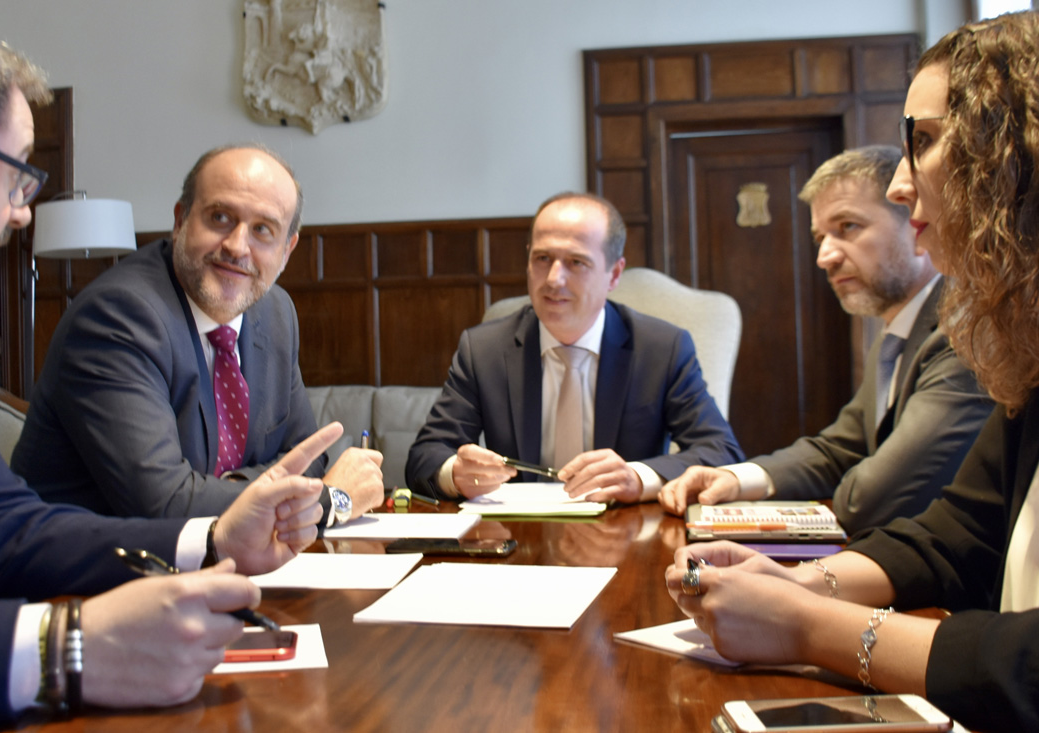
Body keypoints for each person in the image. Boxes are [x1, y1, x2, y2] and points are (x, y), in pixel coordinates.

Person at [0, 6, 335, 727]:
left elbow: (1, 526)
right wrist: (56, 648)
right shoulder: (116, 310)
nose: (21, 214)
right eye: (17, 178)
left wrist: (213, 538)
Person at [665, 12, 1039, 731]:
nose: (900, 184)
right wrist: (799, 580)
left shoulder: (972, 337)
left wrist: (808, 624)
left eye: (922, 142)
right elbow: (955, 532)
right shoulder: (1023, 346)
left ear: (1016, 154)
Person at [11, 145, 384, 525]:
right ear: (181, 221)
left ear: (287, 250)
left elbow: (307, 456)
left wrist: (224, 489)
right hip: (97, 561)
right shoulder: (117, 316)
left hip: (225, 556)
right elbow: (166, 505)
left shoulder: (275, 313)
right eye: (220, 217)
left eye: (263, 230)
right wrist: (332, 499)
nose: (237, 246)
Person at [659, 146, 991, 533]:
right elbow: (840, 450)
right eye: (820, 237)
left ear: (915, 225)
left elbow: (871, 500)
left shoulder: (965, 333)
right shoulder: (897, 334)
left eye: (847, 227)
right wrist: (736, 478)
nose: (825, 256)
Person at [406, 192, 743, 502]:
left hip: (625, 530)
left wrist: (637, 477)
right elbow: (426, 455)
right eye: (542, 258)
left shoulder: (661, 349)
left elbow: (721, 450)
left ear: (614, 274)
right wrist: (455, 474)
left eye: (576, 262)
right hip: (517, 533)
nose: (554, 279)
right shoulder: (484, 350)